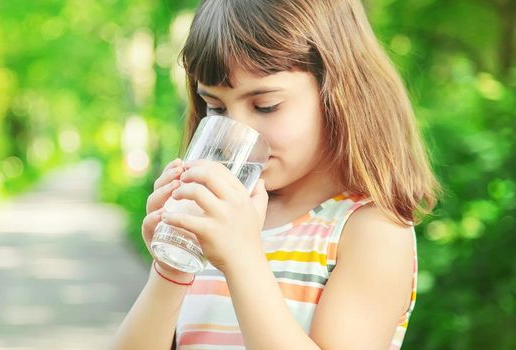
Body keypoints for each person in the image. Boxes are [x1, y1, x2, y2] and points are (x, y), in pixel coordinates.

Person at [110, 0, 440, 349]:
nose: (236, 129)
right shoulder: (213, 218)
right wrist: (171, 269)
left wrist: (242, 259)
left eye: (265, 106)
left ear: (338, 92)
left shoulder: (371, 231)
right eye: (216, 107)